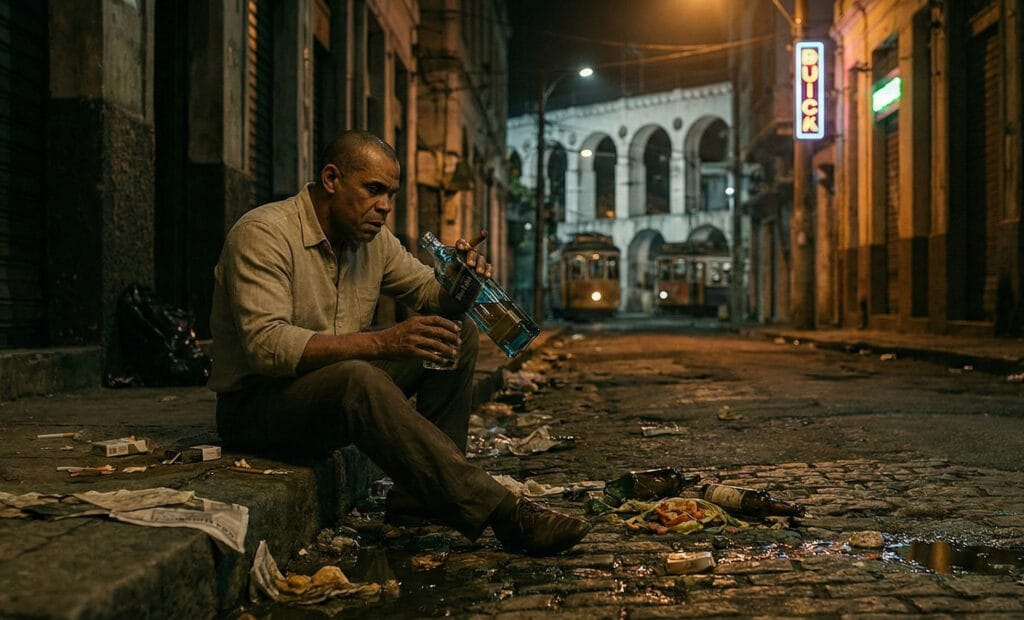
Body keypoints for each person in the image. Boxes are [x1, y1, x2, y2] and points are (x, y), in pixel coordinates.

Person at [209, 130, 590, 555]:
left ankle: (421, 499)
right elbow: (268, 347)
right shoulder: (264, 233)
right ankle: (503, 514)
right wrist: (382, 343)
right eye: (374, 190)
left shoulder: (373, 242)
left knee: (454, 333)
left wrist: (461, 282)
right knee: (358, 377)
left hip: (332, 393)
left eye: (391, 194)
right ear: (332, 179)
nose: (385, 207)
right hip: (257, 408)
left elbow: (431, 295)